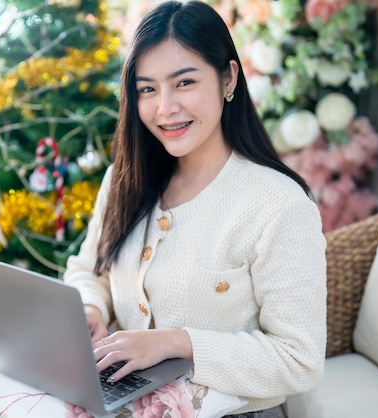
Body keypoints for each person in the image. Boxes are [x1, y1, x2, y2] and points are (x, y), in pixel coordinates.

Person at [62, 1, 327, 416]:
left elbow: (299, 360)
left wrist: (178, 342)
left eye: (184, 83)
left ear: (228, 79)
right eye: (147, 88)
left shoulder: (280, 206)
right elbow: (88, 268)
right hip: (122, 401)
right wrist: (90, 308)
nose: (164, 107)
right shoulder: (125, 178)